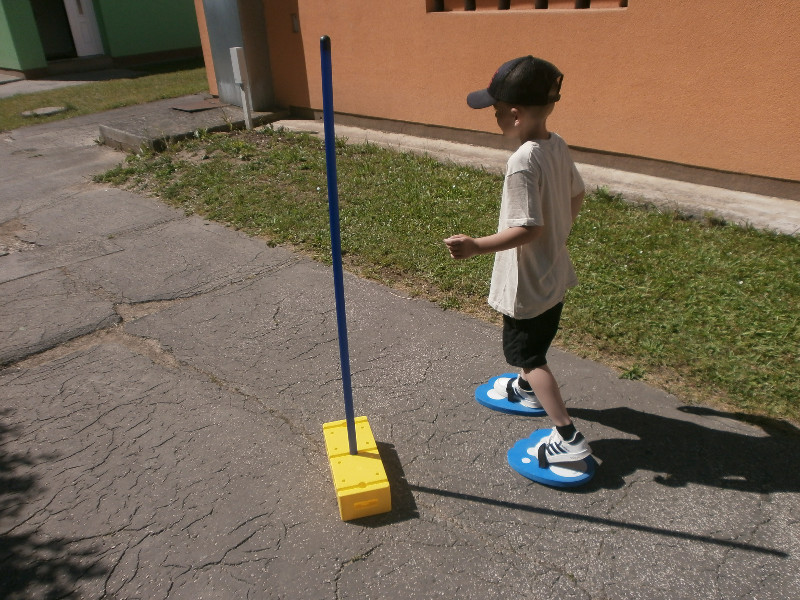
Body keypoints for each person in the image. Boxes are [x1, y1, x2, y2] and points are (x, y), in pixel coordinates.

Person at [444, 55, 591, 467]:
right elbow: (577, 193)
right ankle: (527, 390)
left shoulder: (522, 161)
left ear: (513, 114)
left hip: (528, 282)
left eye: (495, 110)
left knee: (529, 356)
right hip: (552, 274)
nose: (493, 116)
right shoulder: (556, 144)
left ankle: (568, 436)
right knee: (535, 344)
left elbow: (528, 228)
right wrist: (561, 230)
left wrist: (475, 245)